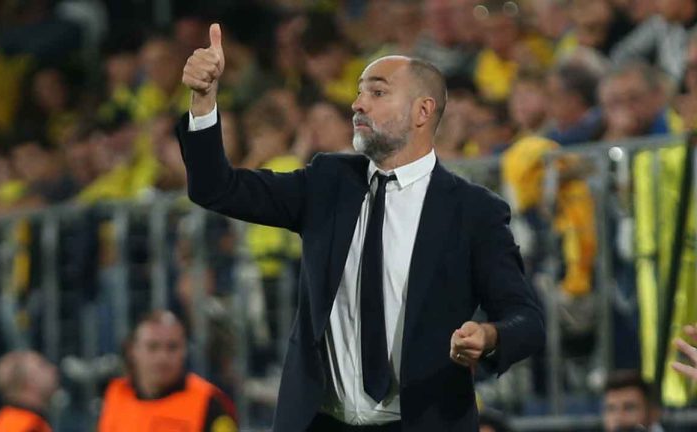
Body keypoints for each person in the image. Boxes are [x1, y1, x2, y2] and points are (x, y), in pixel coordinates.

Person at [179, 24, 544, 431]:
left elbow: (525, 319)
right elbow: (217, 188)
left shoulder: (474, 211)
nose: (357, 104)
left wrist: (489, 335)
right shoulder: (328, 182)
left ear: (422, 111)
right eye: (358, 91)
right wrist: (203, 101)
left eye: (377, 92)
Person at [98, 310, 237, 432]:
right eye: (152, 347)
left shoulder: (209, 403)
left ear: (184, 351)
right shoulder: (116, 393)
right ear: (132, 351)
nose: (162, 358)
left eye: (172, 347)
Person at [0, 351, 58, 432]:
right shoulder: (29, 427)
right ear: (27, 382)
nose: (53, 369)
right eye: (42, 366)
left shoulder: (9, 422)